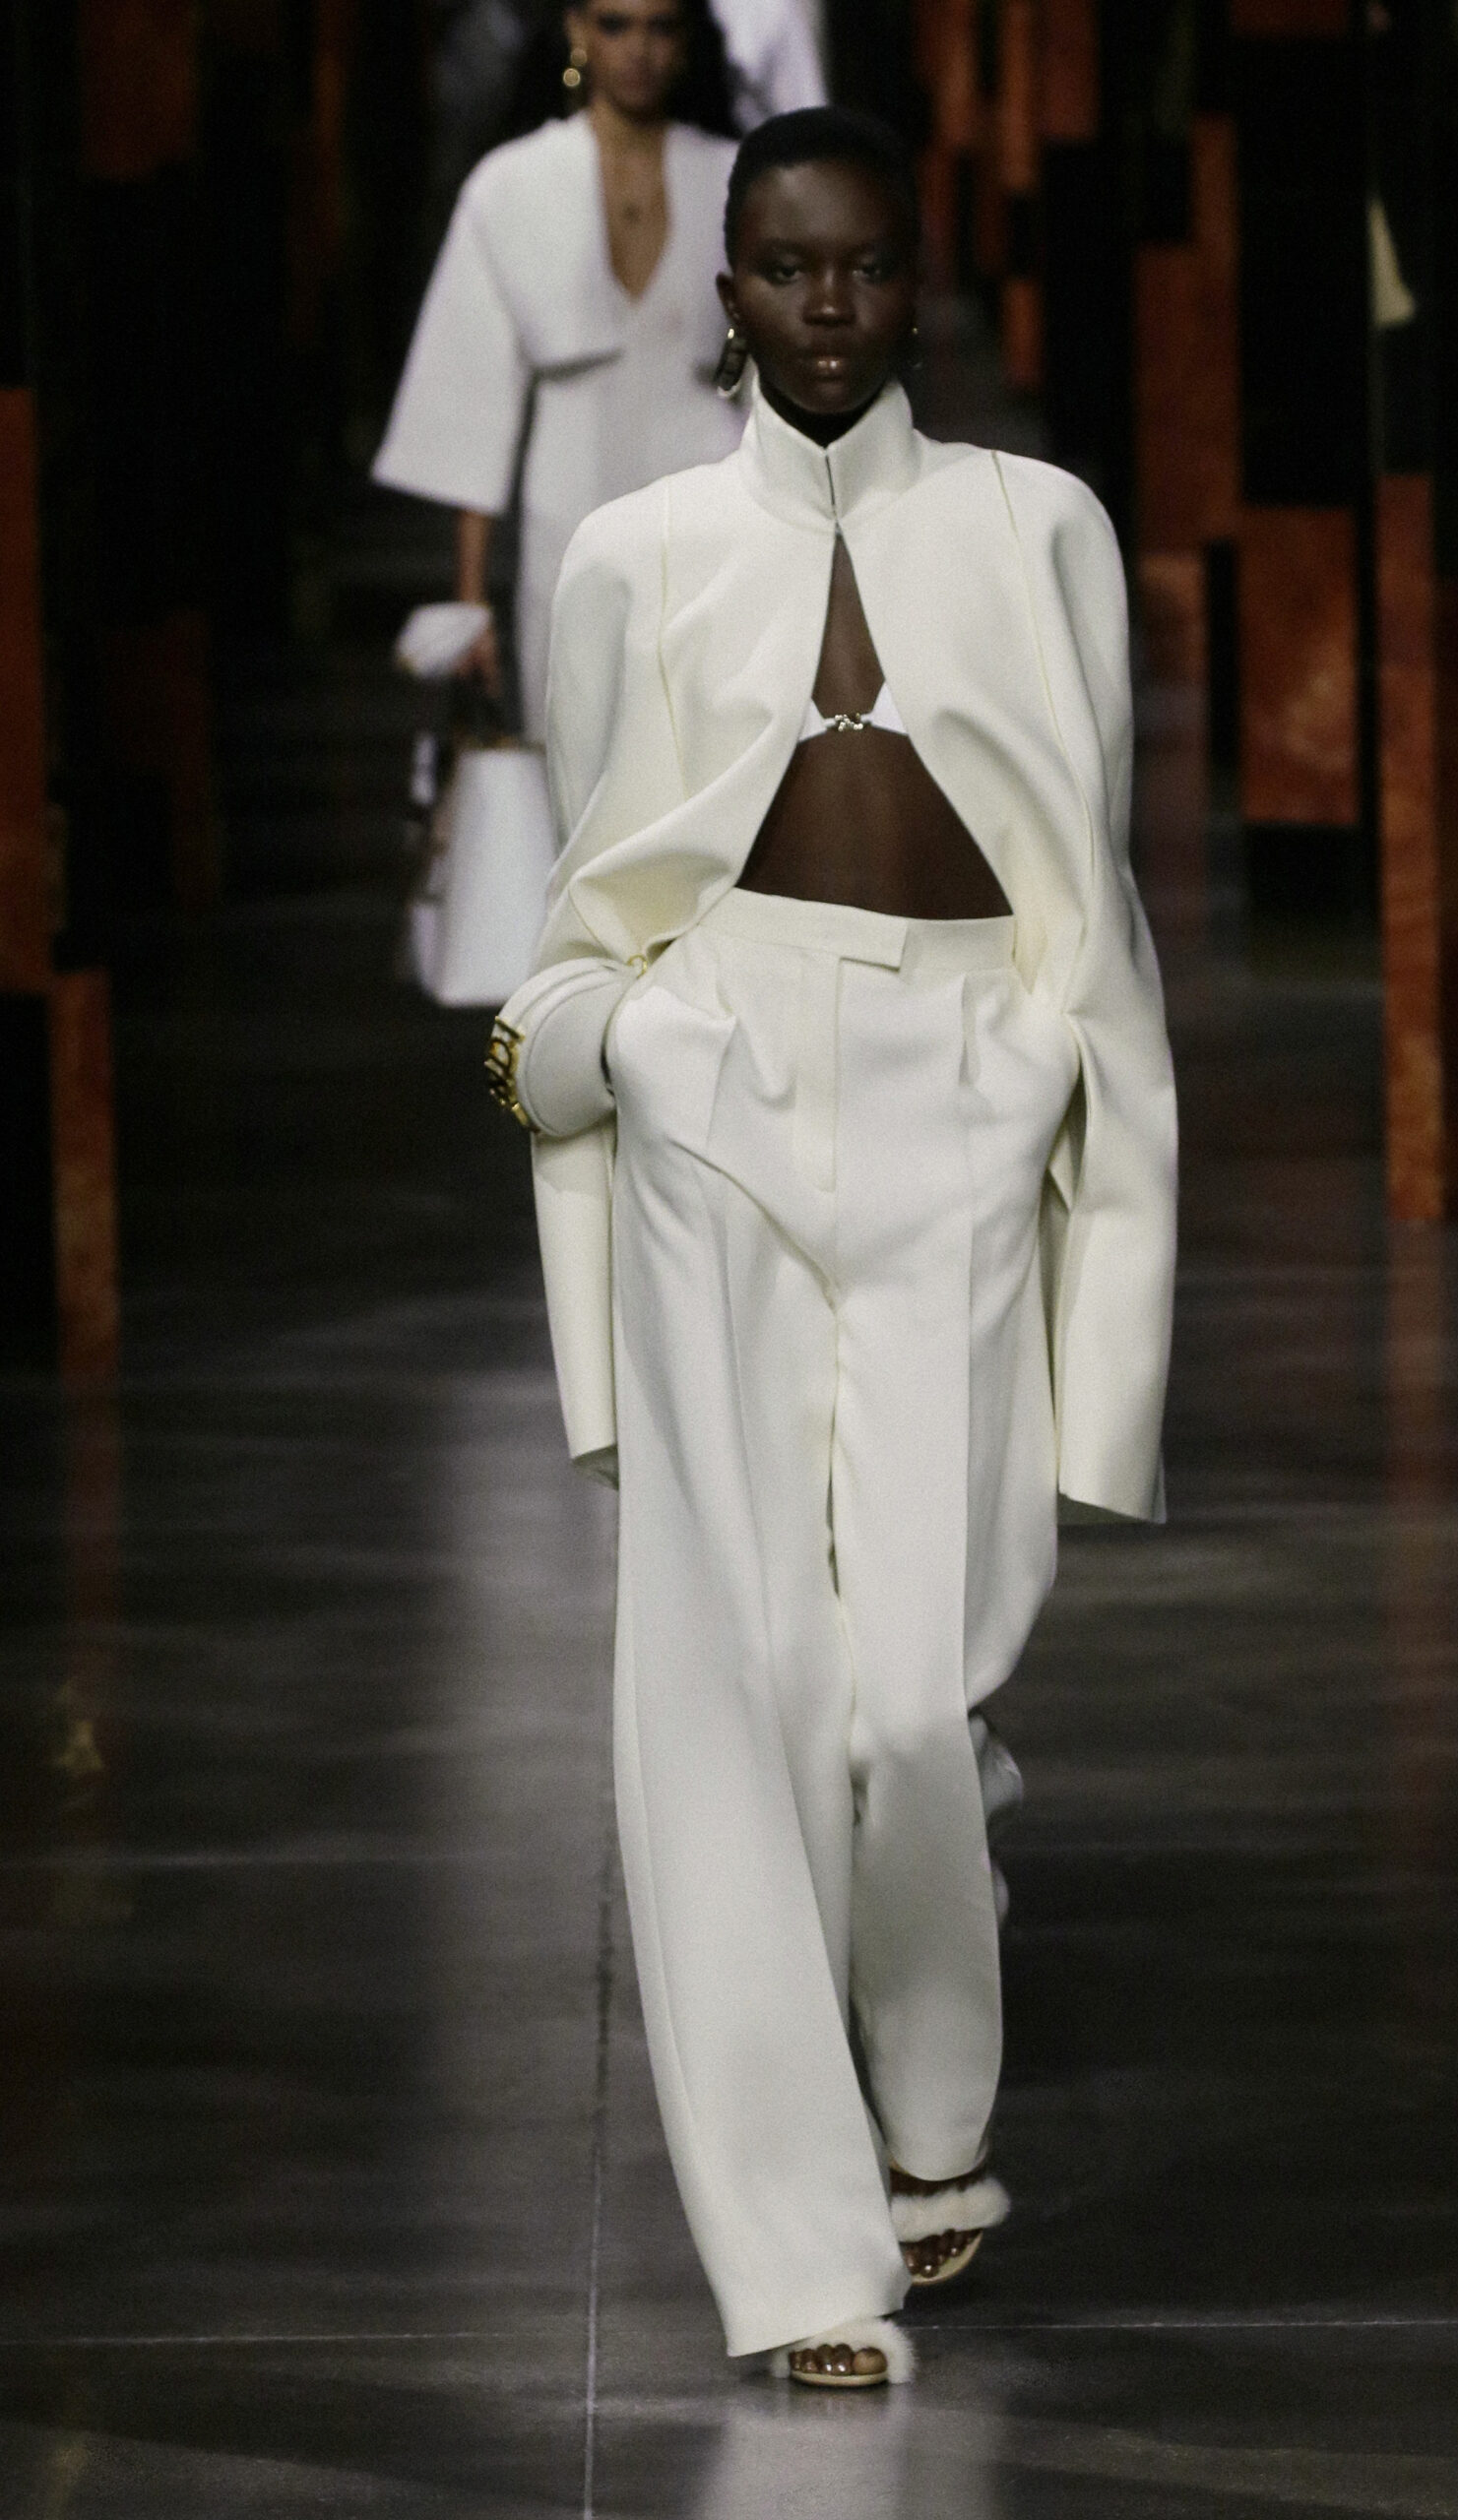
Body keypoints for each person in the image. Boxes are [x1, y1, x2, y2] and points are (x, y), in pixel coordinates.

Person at [486, 107, 1176, 2387]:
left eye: (862, 266)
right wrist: (639, 1046)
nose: (823, 307)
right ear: (729, 294)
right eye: (784, 269)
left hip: (966, 1078)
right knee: (740, 1684)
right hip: (723, 1080)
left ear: (912, 283)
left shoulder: (1035, 526)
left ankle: (933, 2113)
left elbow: (1089, 867)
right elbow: (593, 877)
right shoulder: (637, 554)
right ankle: (800, 2252)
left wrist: (1076, 1116)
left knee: (909, 1691)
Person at [374, 0, 746, 737]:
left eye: (660, 26)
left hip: (713, 496)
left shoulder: (737, 181)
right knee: (576, 750)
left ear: (685, 40)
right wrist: (471, 602)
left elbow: (771, 375)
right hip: (569, 508)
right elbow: (473, 397)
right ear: (576, 29)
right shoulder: (511, 186)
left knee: (716, 748)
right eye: (615, 24)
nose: (638, 49)